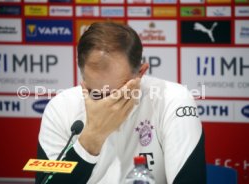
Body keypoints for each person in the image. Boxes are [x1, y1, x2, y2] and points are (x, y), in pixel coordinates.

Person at [36, 22, 206, 184]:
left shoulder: (174, 99)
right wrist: (92, 138)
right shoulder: (60, 108)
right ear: (82, 76)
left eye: (116, 94)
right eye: (95, 93)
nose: (106, 105)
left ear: (140, 73)